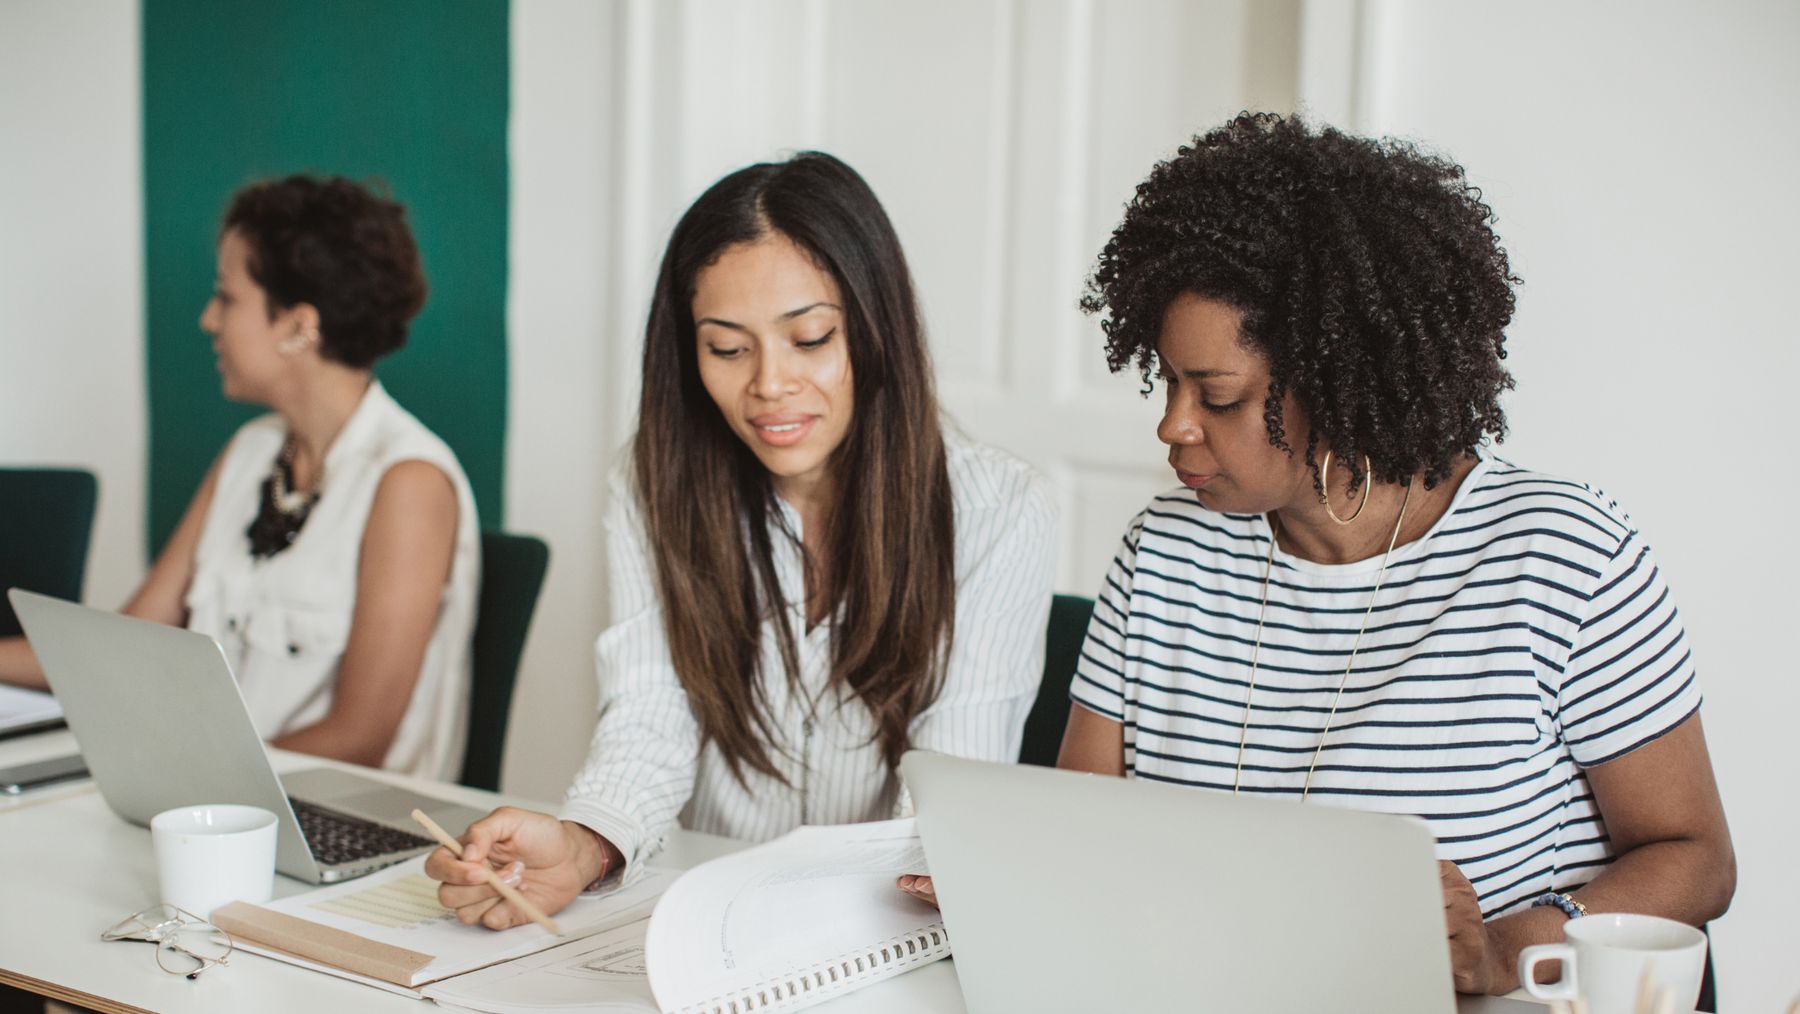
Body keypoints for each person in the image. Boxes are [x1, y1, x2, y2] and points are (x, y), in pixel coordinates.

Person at [903, 113, 1735, 994]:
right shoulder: (1164, 554)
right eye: (1167, 381)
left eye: (1216, 397)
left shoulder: (1562, 555)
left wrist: (1504, 946)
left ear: (1342, 383)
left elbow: (1696, 859)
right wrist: (1002, 882)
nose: (1171, 426)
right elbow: (1080, 835)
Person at [426, 152, 1056, 928]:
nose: (768, 384)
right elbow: (650, 713)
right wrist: (586, 845)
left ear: (874, 328)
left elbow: (950, 784)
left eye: (811, 338)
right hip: (703, 912)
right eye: (727, 348)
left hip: (882, 926)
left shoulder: (998, 507)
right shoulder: (652, 484)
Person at [0, 175, 479, 779]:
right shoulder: (249, 453)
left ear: (298, 325)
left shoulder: (409, 482)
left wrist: (181, 780)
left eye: (226, 298)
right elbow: (124, 643)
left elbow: (360, 738)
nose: (207, 319)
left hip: (330, 819)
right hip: (220, 803)